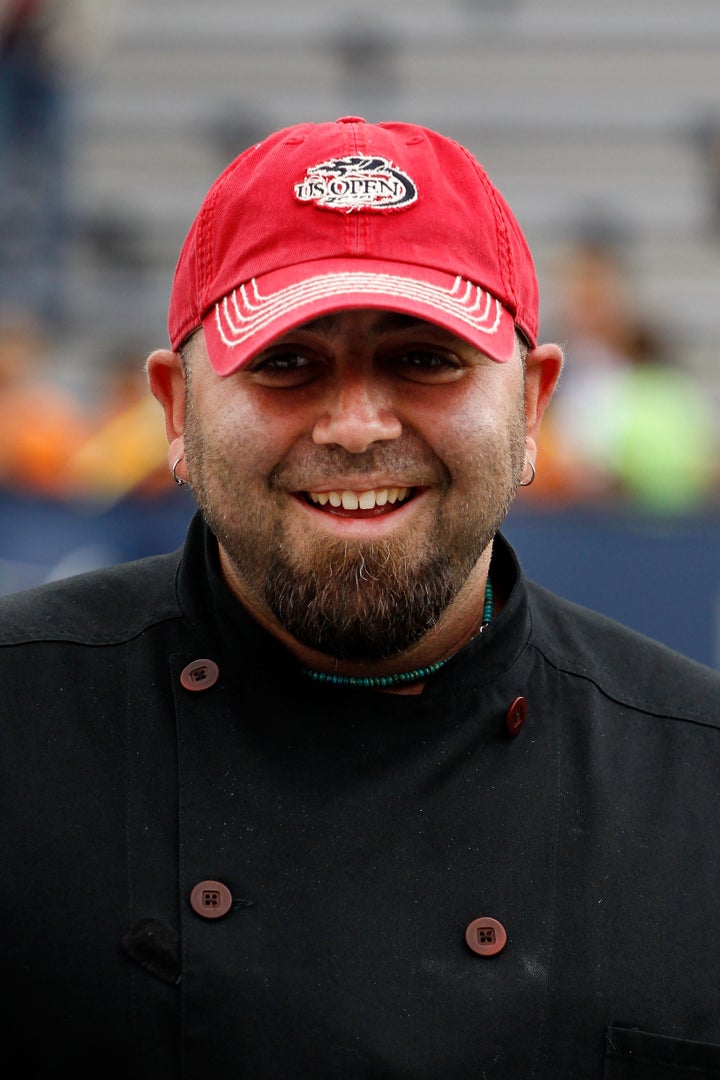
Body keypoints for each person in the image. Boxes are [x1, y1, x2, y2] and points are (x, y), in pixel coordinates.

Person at [1, 117, 719, 1080]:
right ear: (174, 411)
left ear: (532, 405)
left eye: (425, 359)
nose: (354, 426)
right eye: (286, 363)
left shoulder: (698, 784)